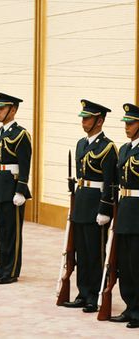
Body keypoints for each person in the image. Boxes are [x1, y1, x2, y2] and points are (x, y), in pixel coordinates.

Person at [62, 100, 117, 313]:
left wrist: (105, 208)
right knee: (81, 252)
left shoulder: (108, 147)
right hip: (82, 202)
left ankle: (95, 294)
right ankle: (82, 292)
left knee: (95, 252)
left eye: (88, 118)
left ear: (99, 120)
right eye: (83, 118)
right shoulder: (81, 144)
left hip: (96, 204)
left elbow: (111, 181)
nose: (83, 121)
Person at [0, 92, 31, 284]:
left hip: (12, 187)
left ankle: (11, 270)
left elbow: (25, 164)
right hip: (0, 186)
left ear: (13, 110)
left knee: (13, 231)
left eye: (2, 108)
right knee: (2, 230)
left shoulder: (21, 134)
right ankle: (2, 266)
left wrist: (21, 189)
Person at [110, 103, 139, 329]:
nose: (127, 127)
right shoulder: (125, 149)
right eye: (126, 123)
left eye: (131, 123)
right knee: (125, 264)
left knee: (137, 263)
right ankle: (130, 307)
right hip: (125, 208)